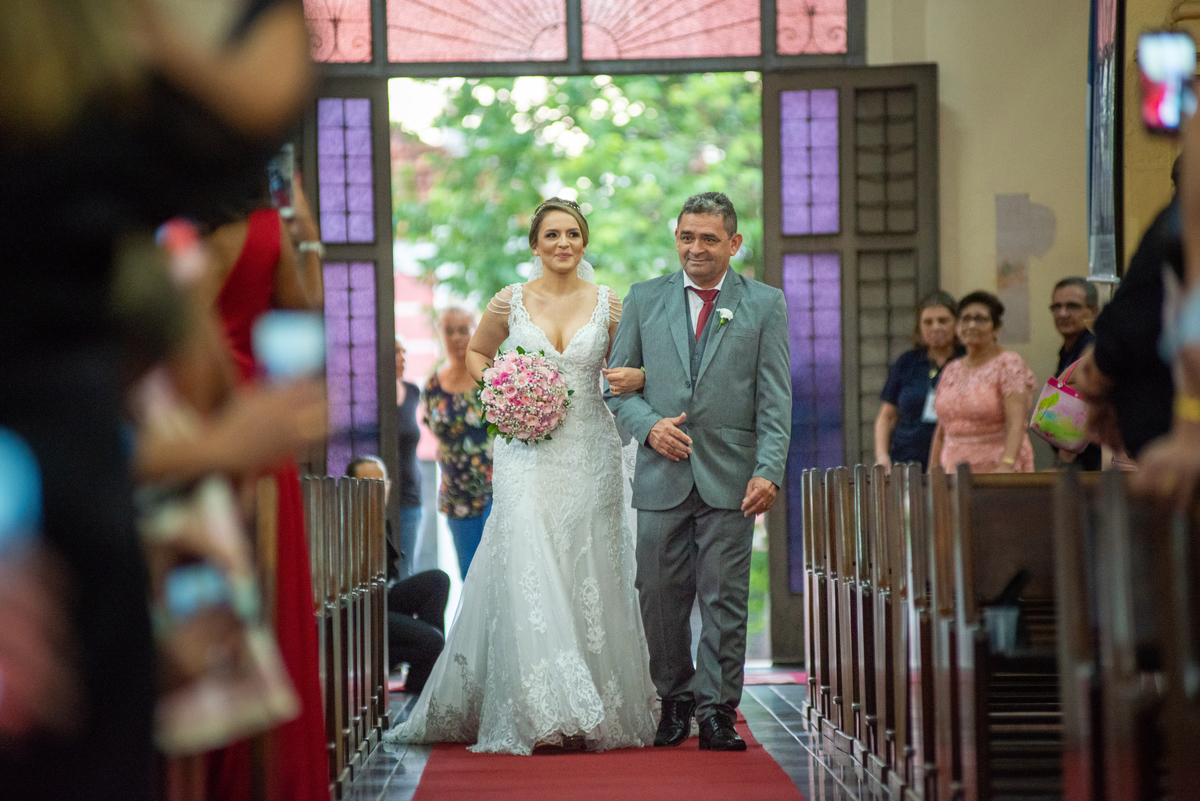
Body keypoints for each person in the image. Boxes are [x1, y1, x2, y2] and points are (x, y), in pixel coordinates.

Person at [0, 2, 311, 798]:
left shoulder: (91, 169)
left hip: (86, 481)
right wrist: (211, 447)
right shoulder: (85, 174)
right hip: (78, 480)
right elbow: (243, 115)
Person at [384, 198, 658, 755]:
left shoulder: (610, 303)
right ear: (535, 244)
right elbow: (480, 355)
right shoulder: (510, 301)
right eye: (552, 234)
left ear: (585, 243)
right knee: (531, 555)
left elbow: (639, 365)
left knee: (589, 563)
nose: (563, 243)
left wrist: (638, 374)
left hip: (590, 449)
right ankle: (545, 709)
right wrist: (504, 388)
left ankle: (593, 706)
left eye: (573, 234)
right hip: (527, 452)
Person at [605, 192, 792, 752]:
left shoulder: (763, 304)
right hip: (662, 472)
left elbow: (775, 397)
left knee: (724, 597)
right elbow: (617, 388)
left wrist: (770, 470)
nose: (696, 248)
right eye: (687, 236)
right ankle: (676, 697)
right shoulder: (643, 299)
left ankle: (716, 709)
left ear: (733, 243)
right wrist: (649, 425)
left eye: (709, 238)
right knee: (657, 594)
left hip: (732, 478)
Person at [202, 187, 328, 801]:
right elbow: (303, 317)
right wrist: (310, 240)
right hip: (255, 425)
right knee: (266, 598)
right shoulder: (265, 228)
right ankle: (264, 777)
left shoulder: (159, 228)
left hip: (185, 416)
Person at [347, 457, 449, 695]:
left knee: (438, 580)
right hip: (359, 610)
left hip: (382, 598)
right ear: (351, 488)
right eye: (368, 484)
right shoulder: (346, 522)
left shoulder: (379, 518)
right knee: (434, 641)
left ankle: (425, 675)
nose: (377, 491)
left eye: (381, 483)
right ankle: (428, 662)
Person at [930, 291, 1038, 473]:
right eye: (965, 319)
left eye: (980, 319)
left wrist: (1007, 464)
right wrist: (932, 470)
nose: (971, 325)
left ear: (996, 327)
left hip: (997, 469)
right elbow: (942, 429)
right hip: (952, 468)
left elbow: (1016, 423)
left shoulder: (1009, 364)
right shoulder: (951, 369)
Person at [421, 307, 493, 578]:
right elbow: (432, 429)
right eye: (449, 331)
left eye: (464, 329)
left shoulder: (492, 377)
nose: (456, 338)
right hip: (456, 494)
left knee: (497, 574)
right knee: (470, 576)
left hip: (495, 492)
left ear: (476, 331)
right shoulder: (433, 385)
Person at [873, 291, 963, 472]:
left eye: (943, 321)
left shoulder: (966, 361)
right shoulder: (907, 362)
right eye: (928, 322)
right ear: (919, 327)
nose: (935, 327)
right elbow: (886, 416)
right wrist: (882, 455)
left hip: (955, 459)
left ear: (956, 324)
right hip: (907, 459)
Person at [1048, 277, 1101, 470]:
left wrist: (1064, 461)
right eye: (1057, 306)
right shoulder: (1068, 350)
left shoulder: (1092, 349)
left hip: (1091, 466)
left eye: (1072, 306)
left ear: (1093, 310)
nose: (1063, 313)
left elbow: (1084, 407)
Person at [393, 340, 425, 577]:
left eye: (404, 351)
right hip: (378, 496)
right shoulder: (369, 393)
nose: (402, 357)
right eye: (396, 351)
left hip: (410, 496)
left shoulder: (413, 392)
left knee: (406, 572)